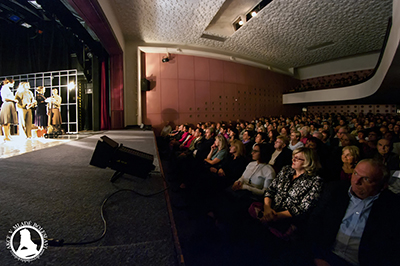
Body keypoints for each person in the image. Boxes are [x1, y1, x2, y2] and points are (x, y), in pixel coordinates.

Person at [310, 159, 400, 266]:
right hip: (327, 256)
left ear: (383, 185)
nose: (356, 181)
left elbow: (392, 248)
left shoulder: (393, 206)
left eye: (366, 179)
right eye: (355, 173)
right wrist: (318, 256)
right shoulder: (335, 190)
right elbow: (315, 223)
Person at [250, 147, 323, 238]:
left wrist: (275, 216)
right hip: (270, 210)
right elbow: (270, 190)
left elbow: (302, 208)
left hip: (288, 218)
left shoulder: (315, 181)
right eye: (293, 156)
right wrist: (267, 208)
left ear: (307, 162)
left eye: (297, 158)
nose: (293, 159)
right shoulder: (286, 170)